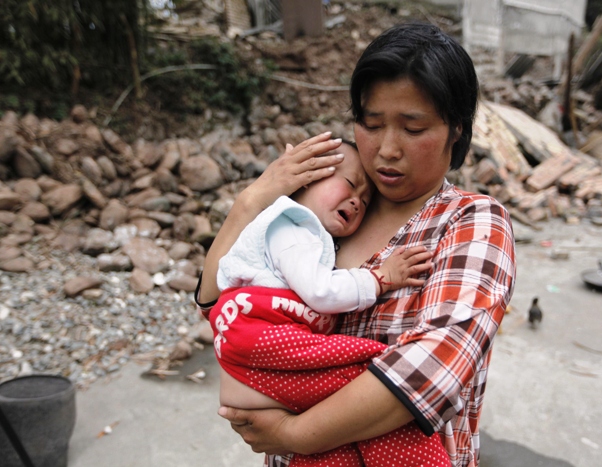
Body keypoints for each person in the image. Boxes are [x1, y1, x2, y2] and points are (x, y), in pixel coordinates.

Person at [197, 22, 516, 467]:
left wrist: (295, 433)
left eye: (413, 127)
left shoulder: (471, 221)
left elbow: (434, 365)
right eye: (371, 123)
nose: (387, 149)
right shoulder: (329, 214)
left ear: (456, 129)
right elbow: (218, 304)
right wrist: (252, 201)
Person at [203, 140, 450, 466]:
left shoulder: (320, 240)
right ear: (305, 178)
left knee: (334, 443)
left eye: (364, 200)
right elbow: (319, 291)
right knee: (364, 378)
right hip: (260, 340)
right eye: (349, 184)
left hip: (261, 359)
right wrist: (380, 278)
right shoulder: (292, 227)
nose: (357, 201)